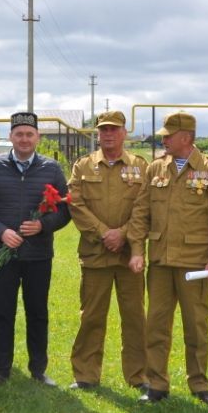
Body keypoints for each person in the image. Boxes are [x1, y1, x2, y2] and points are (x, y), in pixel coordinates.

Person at [127, 112, 208, 405]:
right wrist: (137, 250)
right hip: (161, 263)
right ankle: (157, 385)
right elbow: (141, 213)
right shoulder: (155, 169)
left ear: (186, 138)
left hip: (195, 263)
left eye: (168, 135)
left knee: (196, 326)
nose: (163, 139)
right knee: (156, 325)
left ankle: (199, 384)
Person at [0, 112, 70, 387]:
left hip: (38, 255)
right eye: (19, 134)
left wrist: (43, 226)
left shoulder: (52, 169)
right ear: (10, 137)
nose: (24, 139)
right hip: (2, 255)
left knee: (37, 312)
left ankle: (38, 369)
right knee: (3, 312)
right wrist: (1, 232)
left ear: (37, 137)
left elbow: (64, 211)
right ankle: (1, 370)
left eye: (29, 134)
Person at [67, 111, 149, 392]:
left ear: (125, 132)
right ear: (97, 134)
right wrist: (104, 233)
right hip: (95, 254)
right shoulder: (82, 167)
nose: (108, 135)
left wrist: (123, 234)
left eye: (114, 129)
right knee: (91, 316)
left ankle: (138, 376)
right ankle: (86, 375)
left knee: (135, 317)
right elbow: (76, 205)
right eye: (103, 130)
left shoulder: (141, 166)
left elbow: (145, 208)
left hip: (129, 256)